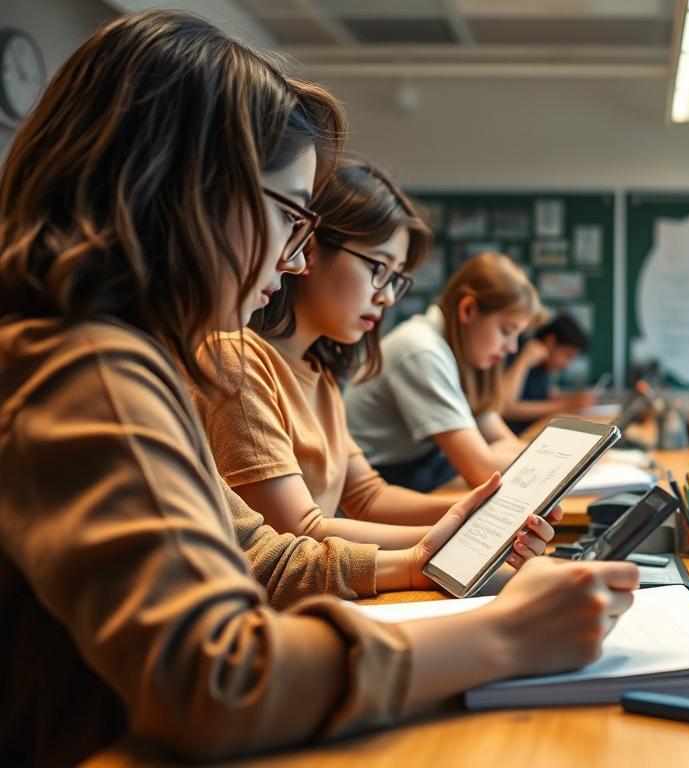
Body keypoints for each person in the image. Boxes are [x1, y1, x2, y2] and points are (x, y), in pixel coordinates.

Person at [0, 12, 636, 764]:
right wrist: (507, 635)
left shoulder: (133, 358)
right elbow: (218, 681)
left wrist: (418, 557)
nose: (295, 260)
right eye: (289, 218)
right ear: (187, 191)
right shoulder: (87, 366)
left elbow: (259, 554)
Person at [194, 155, 559, 560]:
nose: (385, 297)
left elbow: (369, 496)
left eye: (394, 278)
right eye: (378, 268)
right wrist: (462, 533)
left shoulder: (319, 375)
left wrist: (485, 513)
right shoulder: (238, 361)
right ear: (311, 248)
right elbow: (297, 531)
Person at [345, 252, 541, 492]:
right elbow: (481, 470)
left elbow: (503, 441)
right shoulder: (421, 349)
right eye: (506, 331)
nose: (512, 348)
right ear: (468, 310)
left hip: (417, 474)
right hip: (377, 486)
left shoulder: (458, 351)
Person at [501, 313, 601, 433]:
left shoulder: (543, 367)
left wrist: (577, 399)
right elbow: (506, 408)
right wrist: (524, 360)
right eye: (567, 355)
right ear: (551, 342)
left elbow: (549, 395)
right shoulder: (516, 355)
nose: (566, 365)